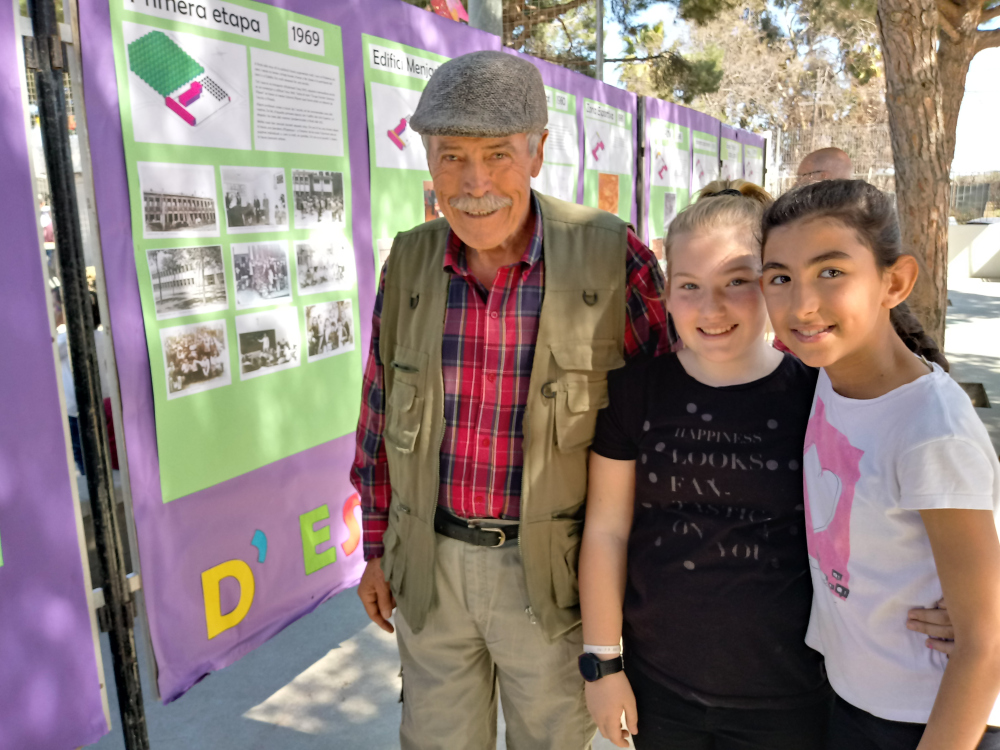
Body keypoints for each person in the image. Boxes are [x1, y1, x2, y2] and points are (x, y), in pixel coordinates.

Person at [350, 50, 672, 750]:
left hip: (553, 580)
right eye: (451, 156)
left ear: (538, 150)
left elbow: (664, 433)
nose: (473, 183)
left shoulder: (615, 260)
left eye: (497, 154)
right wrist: (376, 548)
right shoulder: (408, 260)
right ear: (428, 162)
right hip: (429, 568)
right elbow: (379, 414)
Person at [580, 180, 961, 750]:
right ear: (665, 291)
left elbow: (906, 510)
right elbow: (607, 530)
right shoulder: (636, 393)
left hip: (793, 696)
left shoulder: (820, 394)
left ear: (772, 284)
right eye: (689, 286)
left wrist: (969, 606)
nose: (712, 308)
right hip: (660, 688)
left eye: (738, 282)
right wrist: (603, 665)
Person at [761, 179, 1000, 750]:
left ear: (894, 282)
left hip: (928, 720)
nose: (801, 304)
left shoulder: (929, 430)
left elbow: (984, 643)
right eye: (780, 277)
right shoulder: (828, 376)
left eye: (831, 272)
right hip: (852, 699)